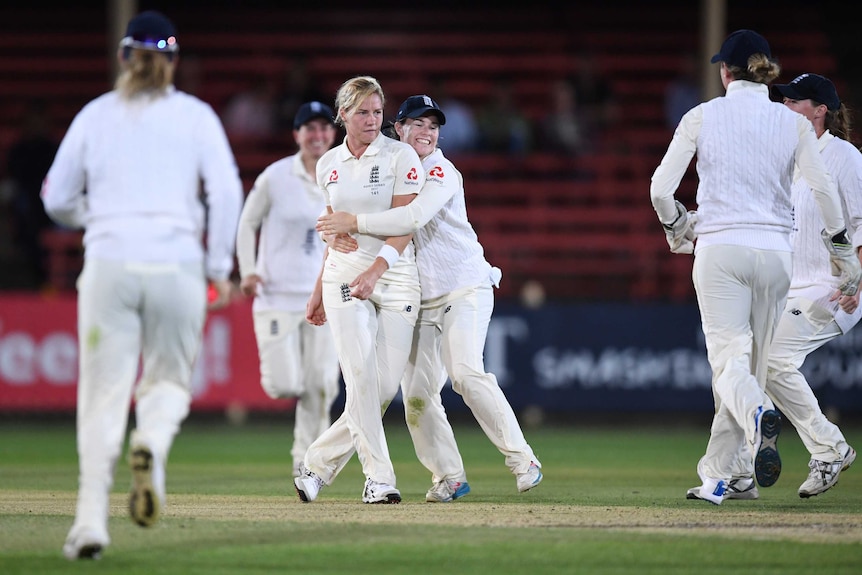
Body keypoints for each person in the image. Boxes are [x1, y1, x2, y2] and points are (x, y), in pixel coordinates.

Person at [40, 10, 243, 559]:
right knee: (169, 382)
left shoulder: (95, 115)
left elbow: (55, 197)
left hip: (109, 263)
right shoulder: (196, 117)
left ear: (124, 57)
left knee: (102, 395)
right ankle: (150, 442)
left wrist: (100, 216)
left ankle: (88, 524)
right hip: (177, 262)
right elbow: (226, 194)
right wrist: (219, 268)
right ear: (173, 62)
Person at [649, 29, 862, 505]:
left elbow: (661, 191)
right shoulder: (793, 126)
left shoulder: (702, 115)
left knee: (729, 364)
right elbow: (824, 193)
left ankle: (760, 413)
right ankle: (729, 475)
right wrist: (845, 252)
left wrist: (676, 225)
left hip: (723, 250)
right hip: (777, 257)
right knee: (752, 365)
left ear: (725, 72)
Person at [317, 95, 543, 501]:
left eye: (433, 126)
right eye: (417, 124)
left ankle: (522, 458)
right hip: (419, 298)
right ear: (398, 130)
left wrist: (354, 221)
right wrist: (335, 235)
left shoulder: (440, 169)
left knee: (465, 374)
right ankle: (449, 476)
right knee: (417, 399)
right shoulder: (387, 171)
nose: (427, 132)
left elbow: (412, 218)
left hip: (464, 286)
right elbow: (360, 222)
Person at [699, 73, 859, 501]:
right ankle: (737, 473)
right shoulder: (789, 154)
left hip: (833, 287)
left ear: (820, 110)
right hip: (789, 284)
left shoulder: (844, 157)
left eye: (794, 101)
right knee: (739, 367)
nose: (784, 106)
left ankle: (829, 448)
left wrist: (855, 277)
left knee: (769, 360)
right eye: (783, 99)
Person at [292, 76, 424, 505]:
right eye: (363, 112)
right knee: (361, 376)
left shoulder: (401, 155)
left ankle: (315, 464)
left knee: (382, 389)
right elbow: (332, 229)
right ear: (343, 114)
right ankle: (379, 478)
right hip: (344, 278)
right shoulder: (327, 164)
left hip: (396, 274)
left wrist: (377, 270)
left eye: (377, 112)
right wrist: (318, 288)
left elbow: (406, 225)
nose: (372, 120)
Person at [235, 101, 342, 477]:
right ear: (296, 134)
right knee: (285, 385)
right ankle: (306, 454)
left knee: (322, 384)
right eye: (309, 129)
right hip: (277, 296)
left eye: (324, 128)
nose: (318, 135)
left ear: (333, 133)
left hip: (326, 295)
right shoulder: (276, 176)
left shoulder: (344, 174)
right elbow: (247, 223)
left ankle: (307, 461)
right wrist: (248, 271)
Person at [3, 99, 59, 288]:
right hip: (26, 208)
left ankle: (50, 282)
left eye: (39, 120)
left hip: (51, 206)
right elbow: (13, 181)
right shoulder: (18, 150)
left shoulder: (53, 149)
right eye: (32, 121)